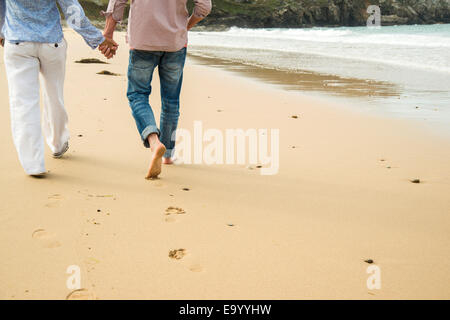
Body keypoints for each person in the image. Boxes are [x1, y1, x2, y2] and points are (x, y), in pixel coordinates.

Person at [0, 0, 117, 176]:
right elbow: (72, 10)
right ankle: (58, 144)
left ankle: (33, 164)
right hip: (51, 43)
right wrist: (97, 39)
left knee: (23, 105)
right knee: (54, 96)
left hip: (17, 42)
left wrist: (2, 30)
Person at [102, 0, 212, 179]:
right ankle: (167, 154)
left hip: (142, 41)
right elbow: (204, 7)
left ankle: (154, 142)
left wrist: (108, 32)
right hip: (175, 43)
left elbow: (117, 2)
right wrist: (185, 27)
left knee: (137, 94)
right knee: (171, 100)